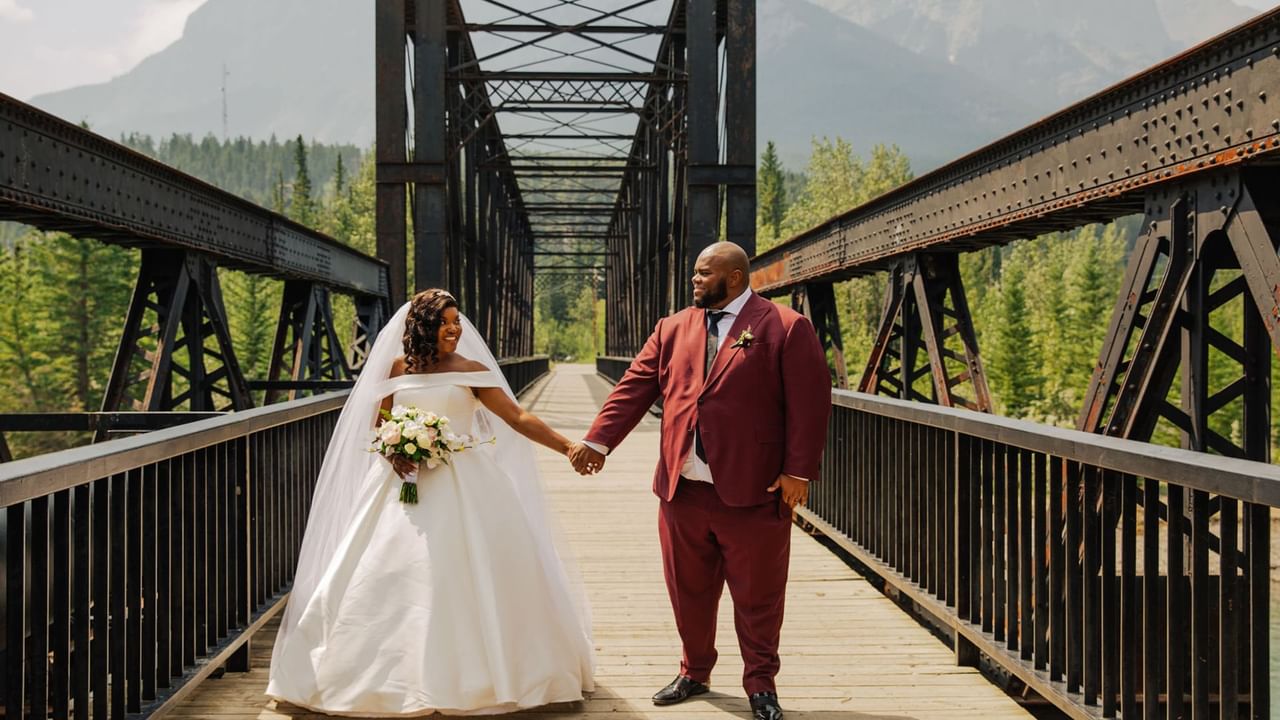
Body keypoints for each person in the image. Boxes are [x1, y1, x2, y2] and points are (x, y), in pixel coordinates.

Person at [267, 289, 595, 716]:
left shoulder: (471, 370)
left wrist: (569, 447)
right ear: (423, 327)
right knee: (391, 571)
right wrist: (395, 448)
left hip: (465, 483)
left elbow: (516, 418)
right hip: (400, 484)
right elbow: (378, 424)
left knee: (468, 571)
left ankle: (489, 676)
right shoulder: (395, 369)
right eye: (445, 323)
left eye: (457, 322)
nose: (455, 330)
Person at [568, 242, 831, 720]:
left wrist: (797, 472)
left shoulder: (785, 327)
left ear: (733, 278)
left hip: (754, 491)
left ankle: (760, 684)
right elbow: (633, 387)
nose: (694, 280)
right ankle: (694, 671)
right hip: (682, 487)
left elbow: (810, 406)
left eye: (702, 273)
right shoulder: (672, 328)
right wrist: (598, 442)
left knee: (759, 596)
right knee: (687, 590)